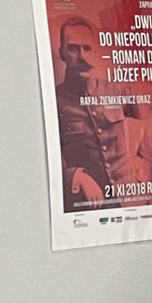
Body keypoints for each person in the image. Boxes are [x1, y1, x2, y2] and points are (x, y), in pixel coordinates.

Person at [54, 17, 108, 207]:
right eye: (73, 49)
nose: (82, 57)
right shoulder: (55, 100)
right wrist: (76, 176)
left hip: (130, 204)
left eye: (87, 48)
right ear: (62, 53)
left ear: (95, 52)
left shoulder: (118, 91)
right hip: (87, 205)